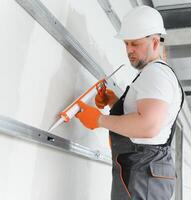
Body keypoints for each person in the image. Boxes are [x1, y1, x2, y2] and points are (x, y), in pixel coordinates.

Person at [76, 5, 184, 200]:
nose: (129, 50)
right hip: (145, 168)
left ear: (154, 42)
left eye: (135, 43)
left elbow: (148, 126)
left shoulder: (155, 74)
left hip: (143, 169)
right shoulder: (154, 74)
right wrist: (114, 102)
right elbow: (146, 117)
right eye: (126, 44)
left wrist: (99, 120)